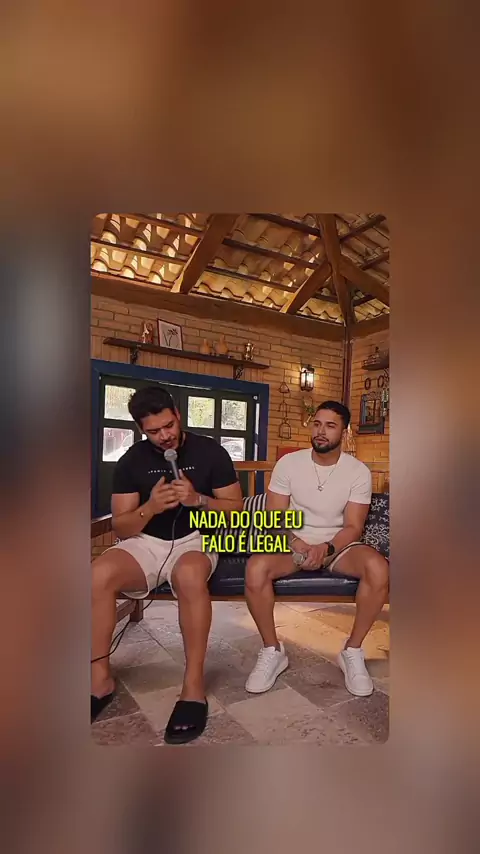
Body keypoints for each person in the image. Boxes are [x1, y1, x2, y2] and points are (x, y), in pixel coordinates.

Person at [91, 386, 243, 743]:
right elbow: (122, 527)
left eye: (169, 425)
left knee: (189, 575)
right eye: (154, 431)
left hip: (198, 538)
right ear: (141, 430)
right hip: (146, 540)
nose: (165, 436)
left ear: (178, 414)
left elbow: (236, 511)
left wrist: (199, 499)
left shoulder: (211, 452)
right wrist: (151, 507)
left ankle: (193, 688)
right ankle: (99, 681)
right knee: (96, 575)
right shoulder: (131, 460)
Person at [244, 400, 389, 697]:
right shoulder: (289, 463)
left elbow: (353, 527)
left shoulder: (357, 471)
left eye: (330, 426)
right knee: (256, 567)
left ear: (344, 432)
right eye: (317, 424)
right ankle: (272, 650)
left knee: (377, 568)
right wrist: (296, 542)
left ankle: (352, 650)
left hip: (337, 546)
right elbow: (274, 517)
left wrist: (326, 547)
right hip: (293, 542)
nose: (321, 431)